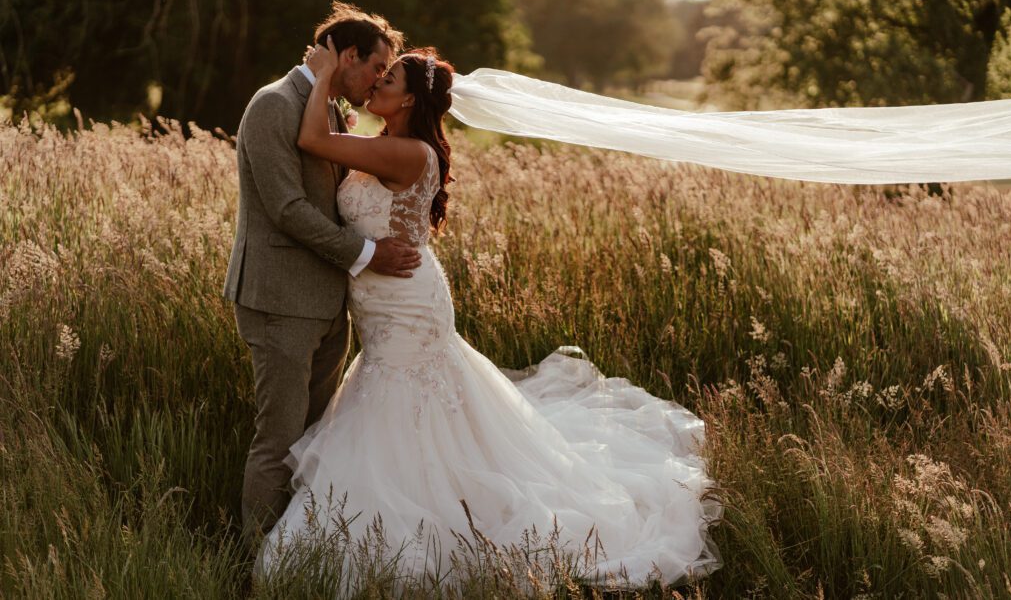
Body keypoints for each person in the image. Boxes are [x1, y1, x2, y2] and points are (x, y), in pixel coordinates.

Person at [258, 35, 721, 590]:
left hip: (404, 304)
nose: (377, 83)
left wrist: (326, 67)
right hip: (388, 301)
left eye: (388, 79)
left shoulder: (406, 153)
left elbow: (311, 139)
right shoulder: (384, 142)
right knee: (412, 409)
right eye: (378, 74)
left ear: (407, 101)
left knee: (408, 409)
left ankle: (434, 535)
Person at [223, 2, 422, 541]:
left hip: (330, 306)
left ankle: (300, 555)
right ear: (348, 56)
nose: (378, 81)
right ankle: (258, 566)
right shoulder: (273, 104)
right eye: (377, 69)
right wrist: (367, 254)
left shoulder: (327, 108)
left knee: (314, 441)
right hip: (279, 302)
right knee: (279, 441)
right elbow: (287, 209)